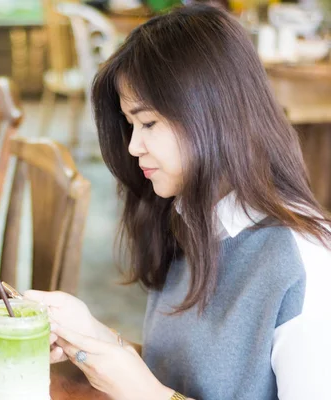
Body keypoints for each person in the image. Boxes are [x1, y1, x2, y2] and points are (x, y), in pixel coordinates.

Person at [25, 5, 331, 400]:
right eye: (130, 125)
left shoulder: (306, 263)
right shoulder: (188, 215)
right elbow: (178, 377)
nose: (134, 146)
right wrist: (93, 337)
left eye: (148, 123)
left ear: (214, 112)